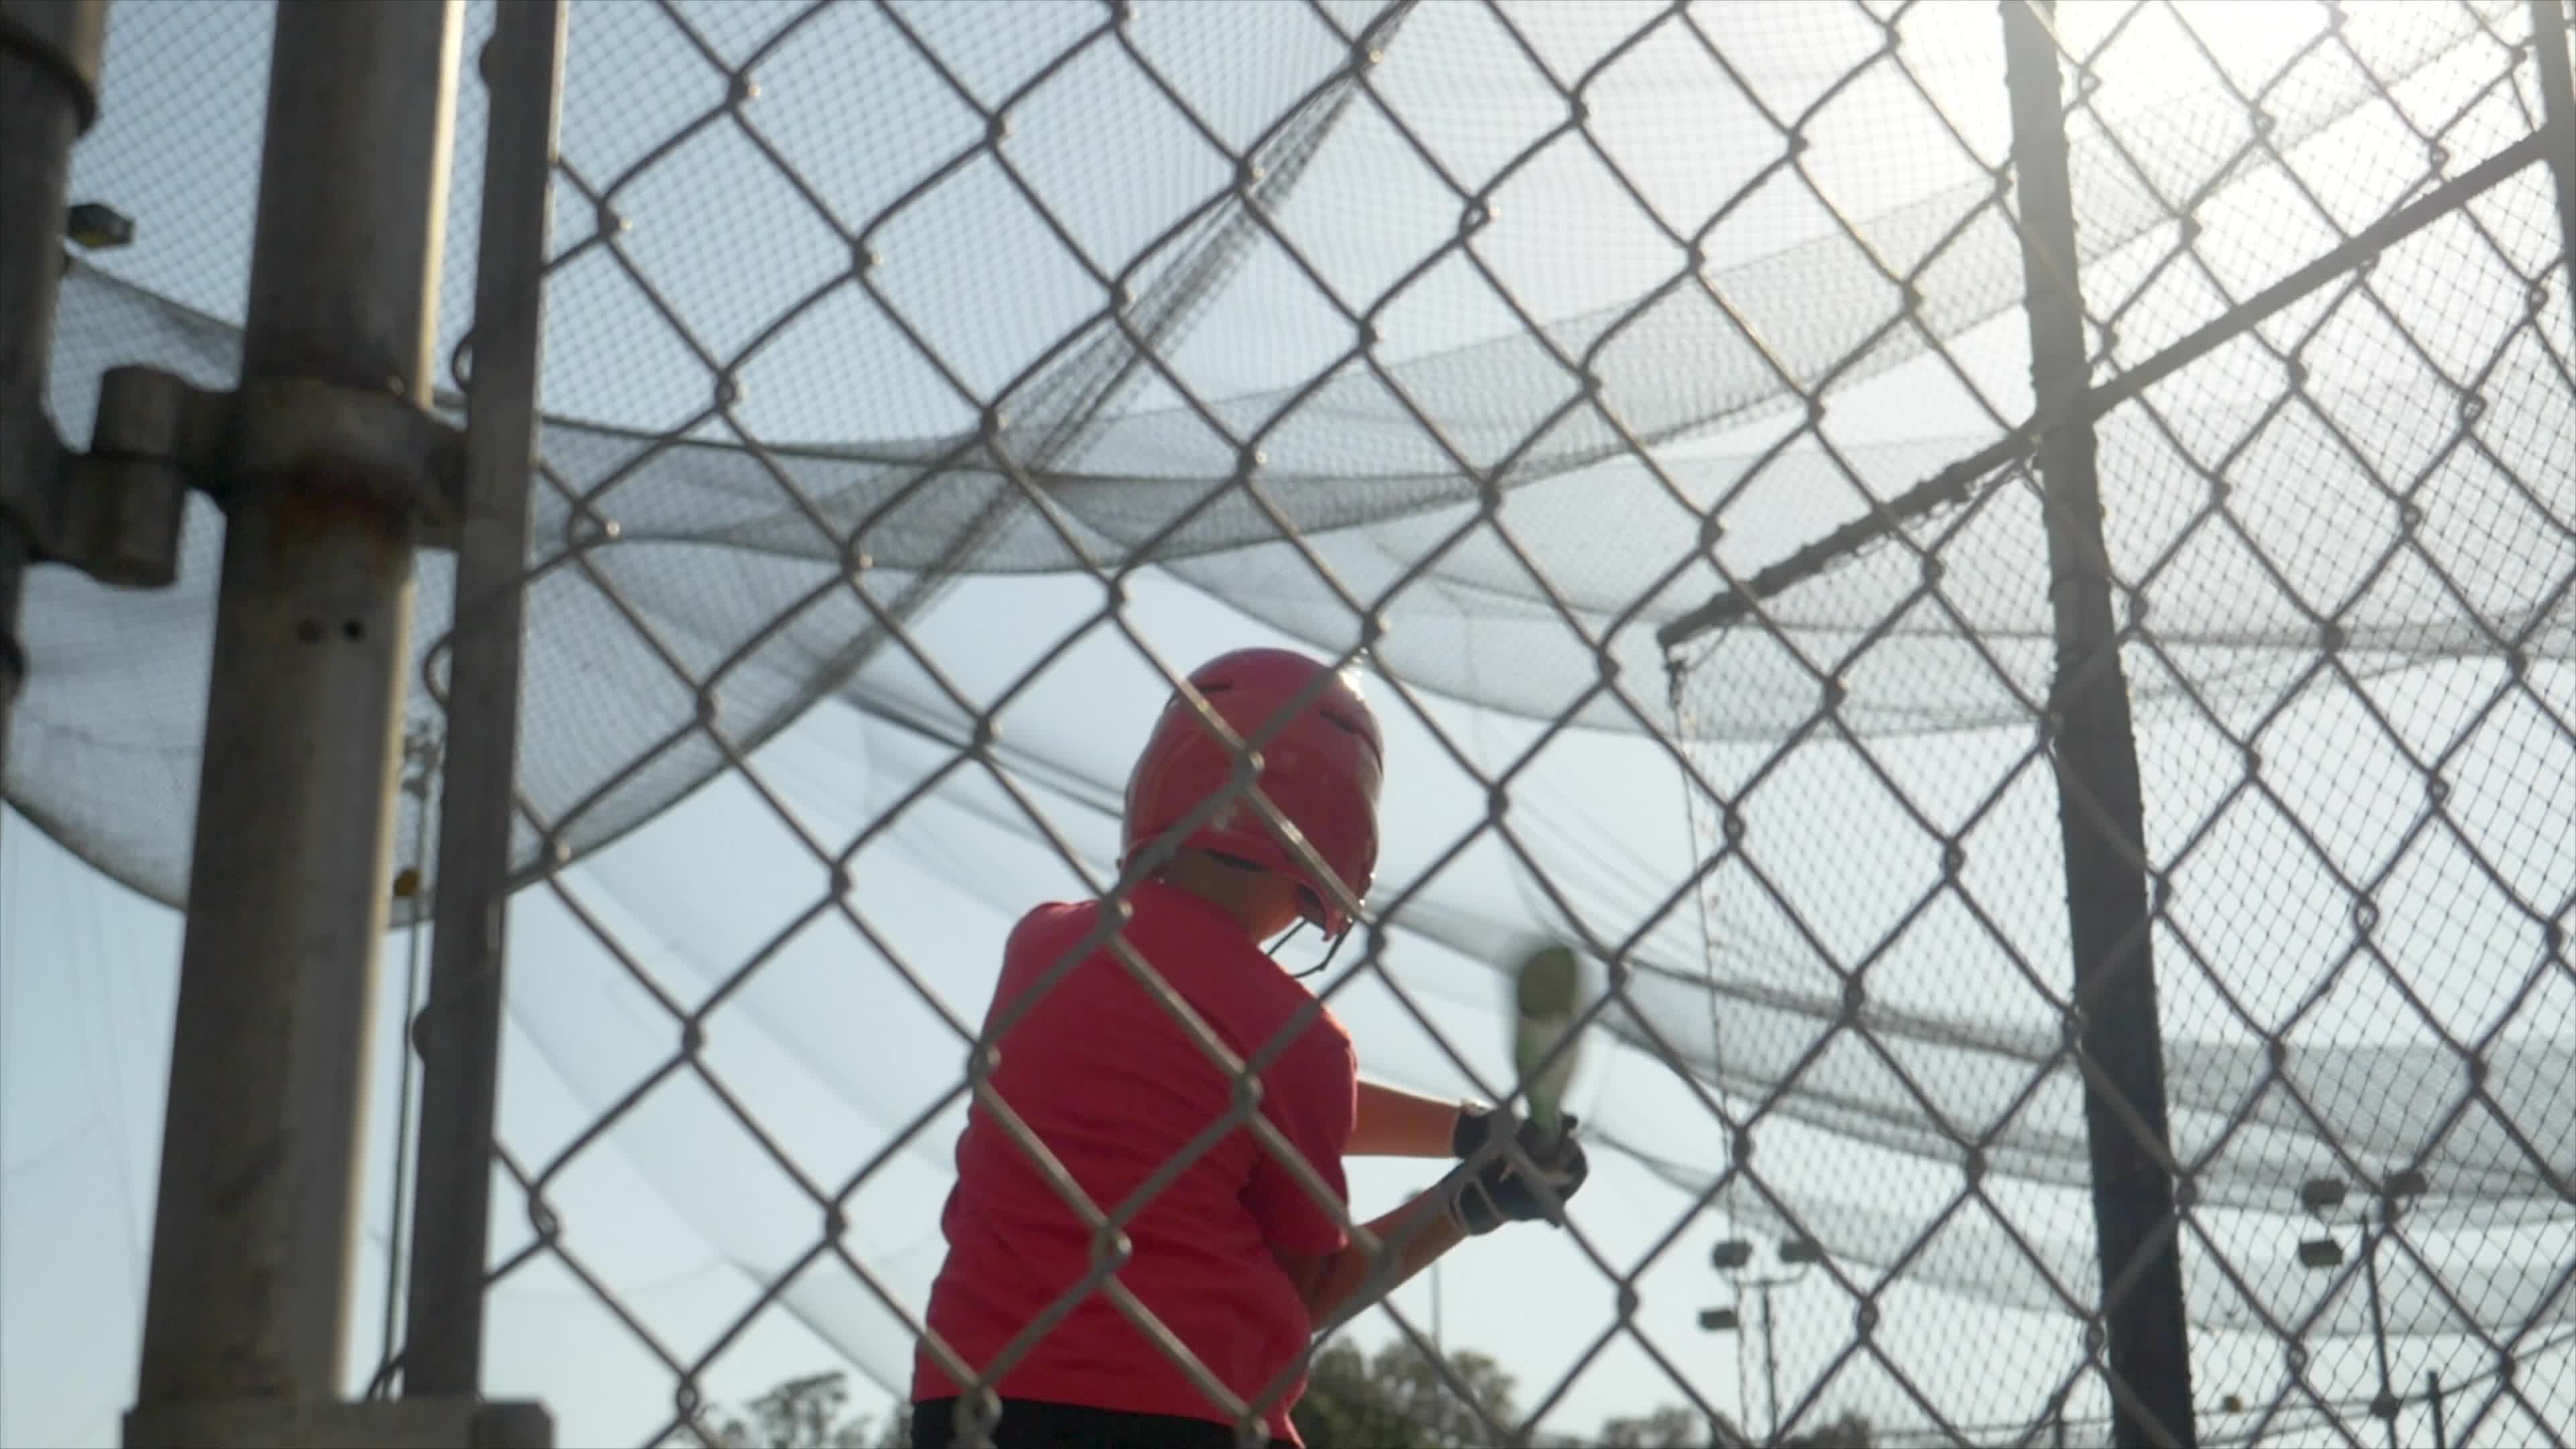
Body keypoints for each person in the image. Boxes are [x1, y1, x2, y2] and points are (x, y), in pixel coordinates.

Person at [910, 646, 1591, 1449]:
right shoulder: (1297, 1037)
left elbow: (1214, 1090)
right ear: (1343, 845)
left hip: (968, 1402)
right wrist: (1466, 1203)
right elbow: (1313, 1294)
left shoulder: (1045, 946)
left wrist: (1471, 1132)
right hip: (1186, 1414)